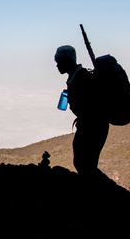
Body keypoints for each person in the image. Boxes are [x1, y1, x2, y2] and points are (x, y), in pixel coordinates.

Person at [54, 45, 109, 178]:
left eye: (59, 62)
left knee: (85, 165)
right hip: (92, 126)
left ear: (67, 61)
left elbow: (91, 107)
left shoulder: (82, 78)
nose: (57, 66)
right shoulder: (77, 77)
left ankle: (105, 193)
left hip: (92, 127)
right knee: (84, 164)